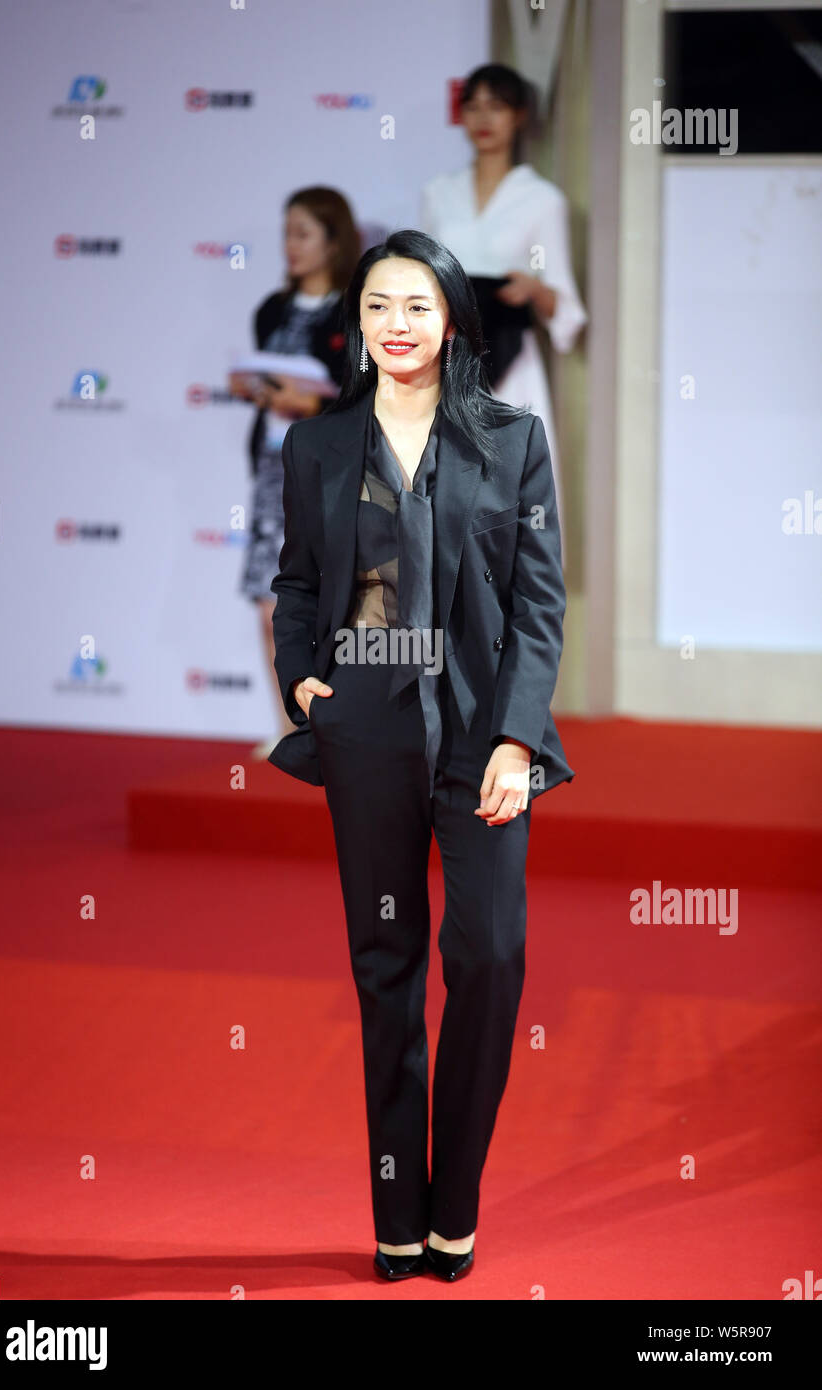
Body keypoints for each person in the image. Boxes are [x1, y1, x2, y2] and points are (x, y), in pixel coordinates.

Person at [267, 229, 574, 1283]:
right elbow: (299, 580)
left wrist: (515, 739)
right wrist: (303, 676)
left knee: (488, 957)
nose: (395, 326)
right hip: (368, 727)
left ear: (451, 320)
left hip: (484, 730)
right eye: (376, 308)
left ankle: (458, 1201)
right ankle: (399, 1216)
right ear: (356, 324)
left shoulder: (510, 437)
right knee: (383, 971)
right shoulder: (316, 445)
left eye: (415, 306)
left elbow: (538, 609)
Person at [419, 63, 587, 544]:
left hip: (511, 360)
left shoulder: (540, 199)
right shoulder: (439, 194)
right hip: (447, 359)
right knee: (442, 492)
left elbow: (566, 306)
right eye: (472, 107)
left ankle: (513, 608)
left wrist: (532, 289)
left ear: (519, 116)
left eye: (496, 107)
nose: (483, 119)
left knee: (511, 493)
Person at [229, 187, 358, 757]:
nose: (291, 246)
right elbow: (267, 381)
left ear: (333, 241)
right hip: (272, 470)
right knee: (270, 601)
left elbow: (362, 395)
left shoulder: (355, 311)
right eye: (287, 233)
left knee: (338, 604)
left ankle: (337, 728)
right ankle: (289, 728)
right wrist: (255, 390)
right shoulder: (271, 309)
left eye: (304, 233)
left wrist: (311, 406)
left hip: (332, 473)